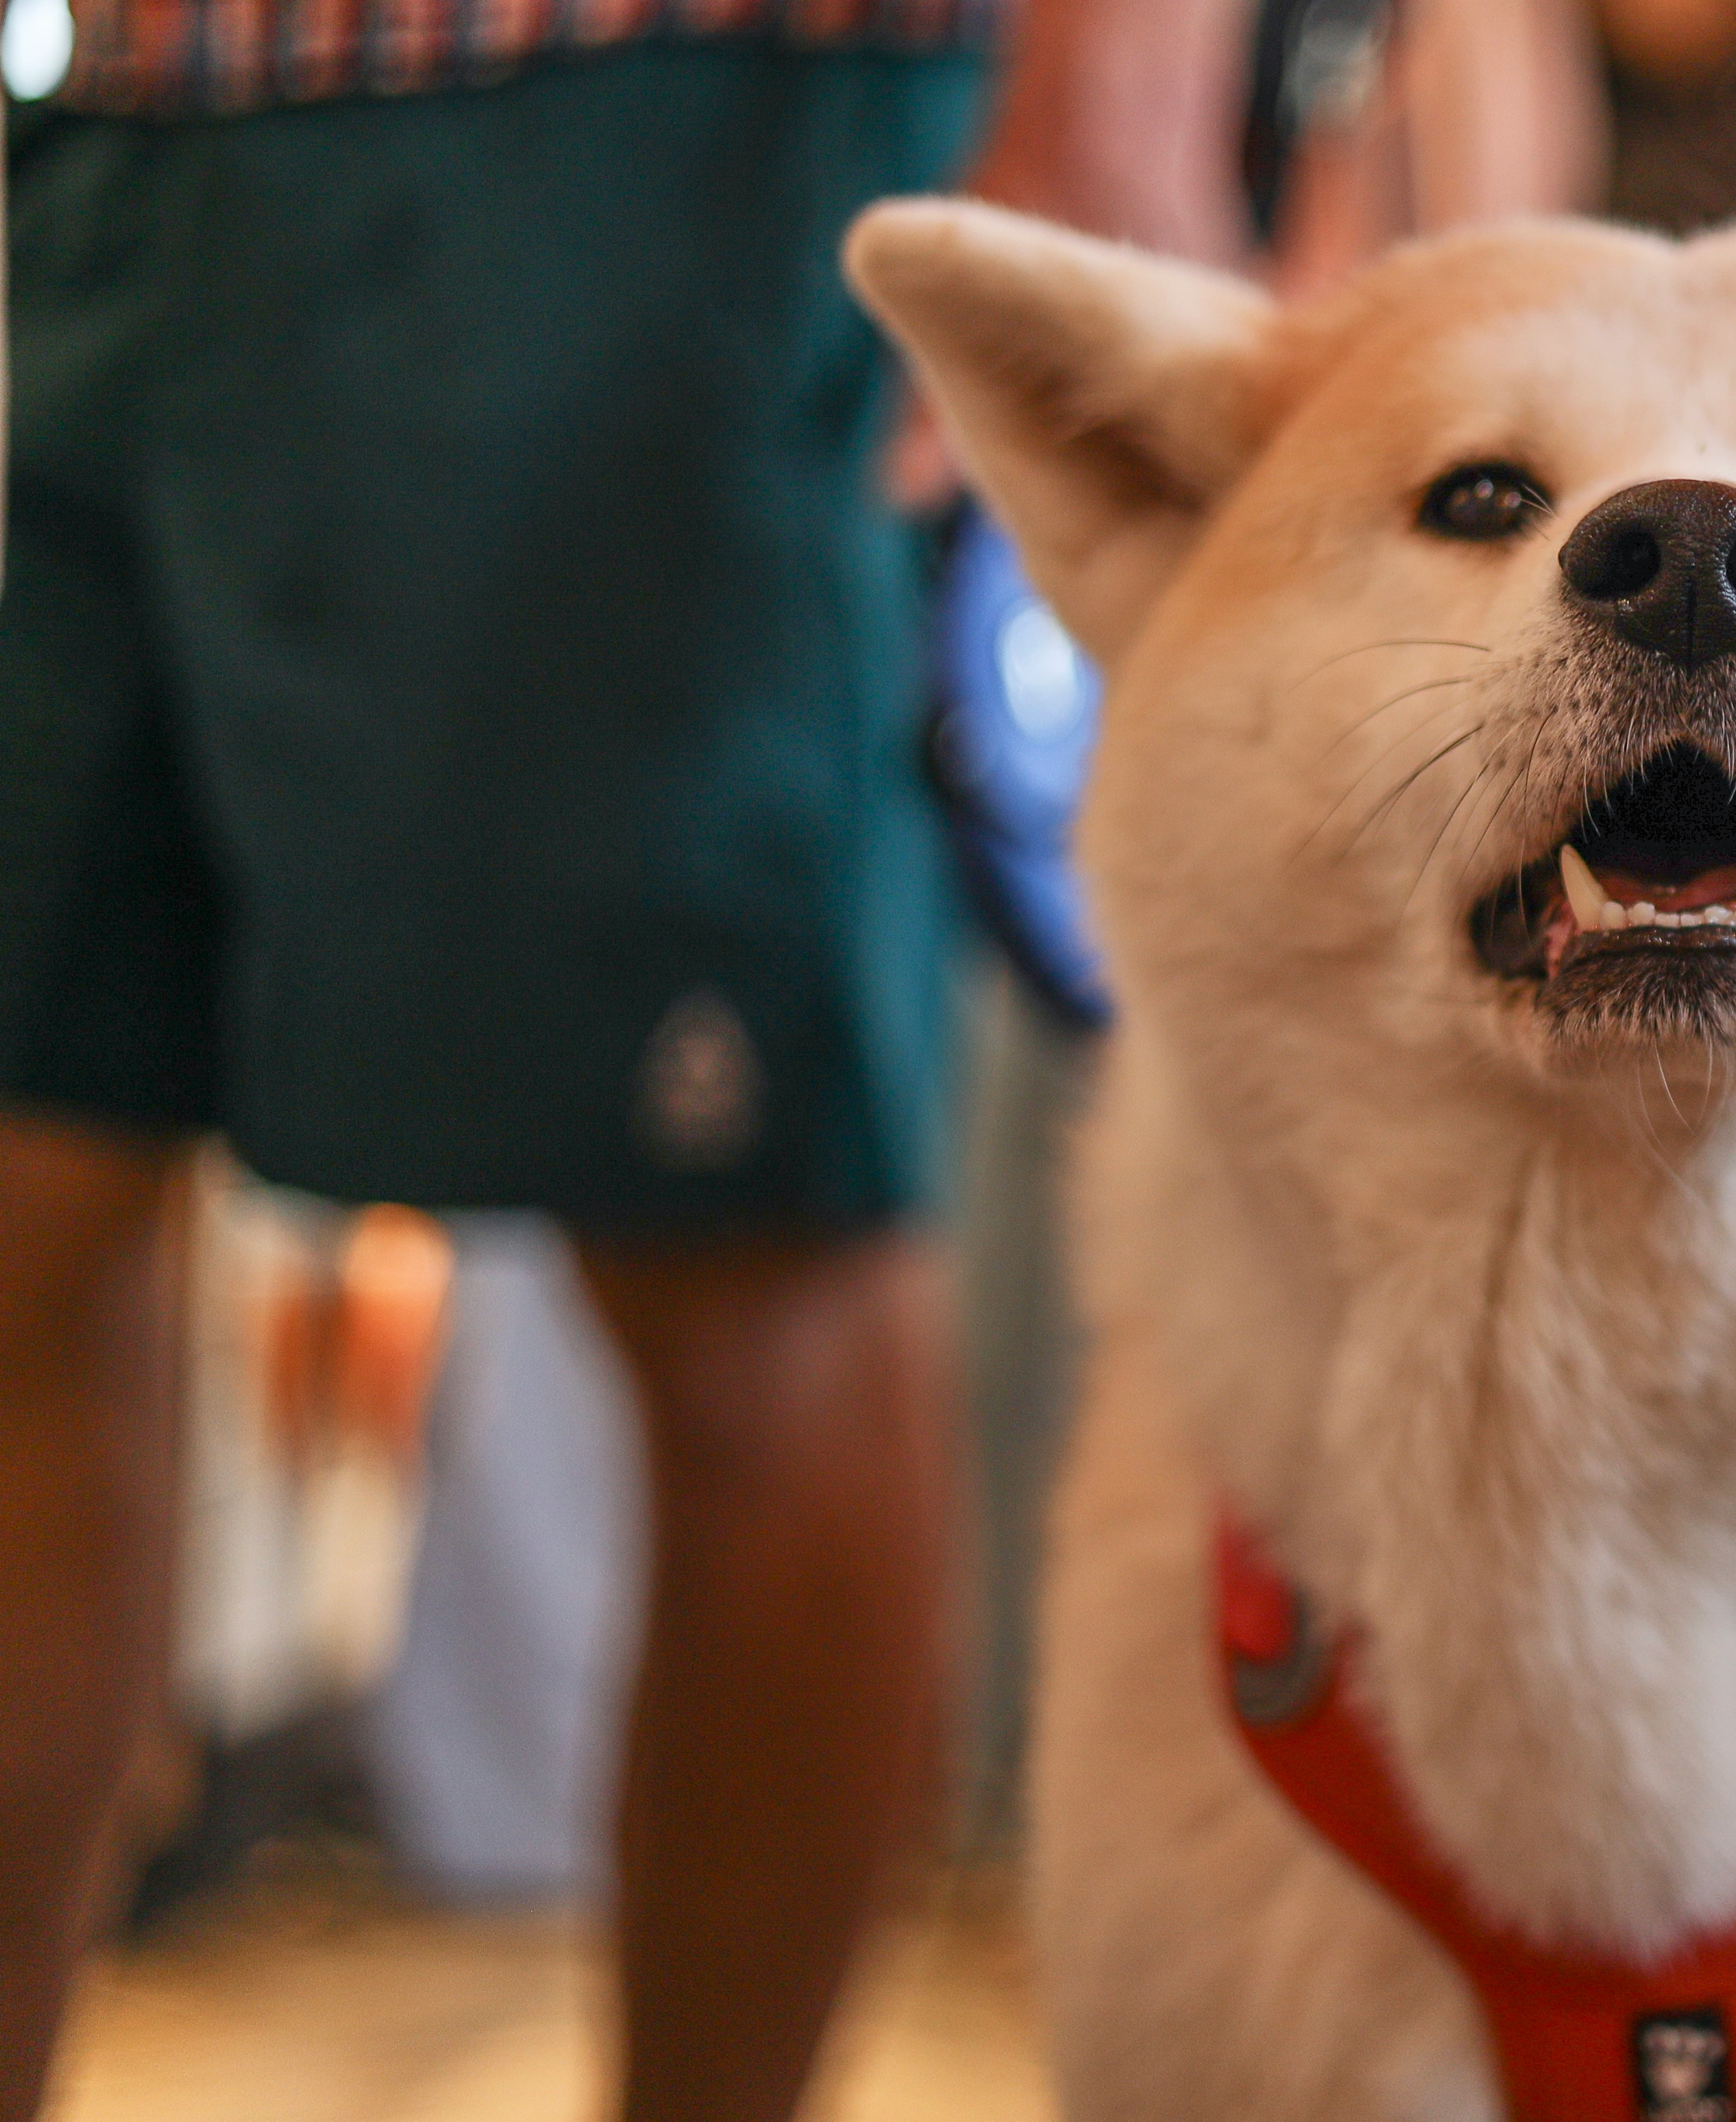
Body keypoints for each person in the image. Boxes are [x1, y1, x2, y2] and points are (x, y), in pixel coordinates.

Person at [0, 2, 1111, 2115]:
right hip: (120, 123)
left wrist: (1110, 91)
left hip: (659, 123)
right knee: (24, 1209)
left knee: (745, 1252)